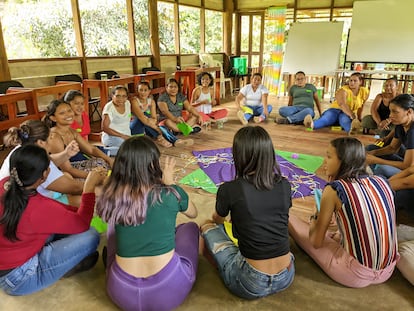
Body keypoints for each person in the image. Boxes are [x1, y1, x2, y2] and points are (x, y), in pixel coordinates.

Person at [96, 136, 199, 311]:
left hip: (120, 291)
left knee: (113, 227)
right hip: (168, 291)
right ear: (153, 165)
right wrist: (172, 184)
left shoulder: (111, 196)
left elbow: (106, 190)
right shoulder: (170, 194)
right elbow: (193, 213)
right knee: (190, 228)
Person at [289, 137, 398, 288]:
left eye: (328, 156)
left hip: (355, 274)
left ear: (343, 161)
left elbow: (316, 242)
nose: (324, 161)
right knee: (335, 233)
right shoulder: (382, 181)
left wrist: (315, 214)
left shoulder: (335, 189)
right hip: (388, 270)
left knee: (290, 219)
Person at [200, 126, 294, 300]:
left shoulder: (229, 189)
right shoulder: (285, 184)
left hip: (251, 281)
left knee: (207, 227)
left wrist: (216, 220)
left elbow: (218, 220)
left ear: (238, 156)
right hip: (287, 275)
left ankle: (225, 266)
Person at [0, 144, 106, 296]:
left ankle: (56, 261)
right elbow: (82, 223)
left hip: (8, 263)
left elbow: (53, 210)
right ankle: (60, 269)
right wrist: (89, 187)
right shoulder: (37, 208)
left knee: (60, 225)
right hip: (19, 279)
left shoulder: (5, 183)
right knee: (91, 236)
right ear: (44, 176)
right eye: (49, 167)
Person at [0, 120, 84, 206]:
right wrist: (94, 182)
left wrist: (66, 154)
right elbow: (76, 188)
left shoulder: (24, 148)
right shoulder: (33, 160)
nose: (53, 139)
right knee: (81, 200)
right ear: (41, 142)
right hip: (24, 206)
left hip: (17, 197)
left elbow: (49, 161)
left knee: (66, 176)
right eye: (51, 137)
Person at [43, 99, 113, 179]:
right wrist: (96, 178)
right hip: (61, 174)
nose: (68, 115)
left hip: (74, 166)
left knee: (103, 162)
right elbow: (68, 169)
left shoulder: (71, 131)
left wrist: (110, 160)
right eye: (62, 113)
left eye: (69, 110)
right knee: (103, 175)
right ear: (53, 118)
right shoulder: (54, 137)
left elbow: (91, 149)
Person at [130, 81, 192, 147]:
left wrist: (157, 127)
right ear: (137, 91)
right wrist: (157, 129)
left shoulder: (151, 101)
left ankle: (177, 141)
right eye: (141, 90)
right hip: (136, 128)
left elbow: (154, 119)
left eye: (145, 90)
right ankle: (160, 138)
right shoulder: (134, 101)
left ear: (149, 91)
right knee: (145, 115)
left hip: (148, 128)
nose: (143, 92)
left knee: (161, 127)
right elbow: (143, 119)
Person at [366, 94, 414, 178]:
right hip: (408, 165)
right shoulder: (400, 125)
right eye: (390, 111)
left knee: (382, 169)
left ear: (409, 112)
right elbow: (392, 148)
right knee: (370, 149)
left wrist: (376, 160)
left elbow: (408, 166)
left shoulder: (412, 131)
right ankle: (375, 176)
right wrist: (372, 153)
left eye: (395, 112)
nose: (390, 115)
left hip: (411, 173)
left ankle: (378, 181)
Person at [304, 72, 369, 134]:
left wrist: (359, 118)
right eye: (350, 80)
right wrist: (352, 116)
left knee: (345, 121)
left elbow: (361, 106)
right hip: (335, 110)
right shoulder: (343, 90)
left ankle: (352, 130)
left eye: (355, 81)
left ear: (360, 82)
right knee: (327, 119)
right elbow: (342, 104)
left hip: (346, 113)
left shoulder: (364, 91)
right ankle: (311, 125)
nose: (352, 82)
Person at [101, 85, 133, 156]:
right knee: (130, 150)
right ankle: (103, 151)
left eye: (124, 96)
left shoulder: (127, 103)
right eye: (118, 96)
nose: (121, 99)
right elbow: (104, 128)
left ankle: (111, 150)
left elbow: (128, 115)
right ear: (112, 96)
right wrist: (122, 136)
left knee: (136, 146)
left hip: (126, 136)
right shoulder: (109, 108)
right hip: (112, 137)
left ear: (127, 97)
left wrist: (130, 117)